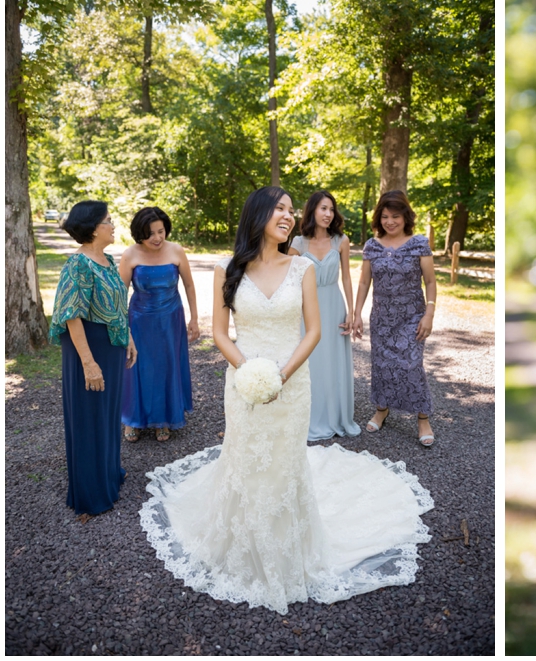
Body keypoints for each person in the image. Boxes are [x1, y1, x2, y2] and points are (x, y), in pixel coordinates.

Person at [139, 186, 433, 614]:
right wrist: (248, 371)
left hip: (293, 381)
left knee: (284, 460)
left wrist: (281, 374)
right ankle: (243, 538)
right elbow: (221, 333)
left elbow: (313, 330)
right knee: (245, 456)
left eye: (291, 211)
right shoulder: (226, 268)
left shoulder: (302, 270)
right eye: (280, 208)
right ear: (257, 212)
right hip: (243, 381)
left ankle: (286, 546)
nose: (289, 216)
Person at [49, 201, 137, 522]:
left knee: (107, 414)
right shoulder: (78, 265)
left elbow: (117, 306)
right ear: (93, 228)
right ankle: (91, 494)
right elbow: (71, 316)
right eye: (108, 221)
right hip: (87, 348)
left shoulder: (107, 260)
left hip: (111, 347)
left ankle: (110, 475)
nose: (113, 225)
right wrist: (88, 362)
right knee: (89, 417)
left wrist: (128, 337)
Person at [353, 190, 437, 447]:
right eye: (385, 216)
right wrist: (356, 313)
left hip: (412, 317)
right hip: (381, 319)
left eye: (396, 216)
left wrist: (429, 314)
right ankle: (382, 409)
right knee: (381, 365)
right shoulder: (372, 246)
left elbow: (431, 281)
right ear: (379, 218)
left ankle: (423, 417)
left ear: (406, 217)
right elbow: (365, 281)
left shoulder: (419, 243)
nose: (390, 221)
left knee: (411, 366)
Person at [119, 207, 198, 443]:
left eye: (161, 231)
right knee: (139, 366)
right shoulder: (130, 254)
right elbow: (120, 294)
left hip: (171, 319)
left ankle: (163, 418)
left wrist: (194, 318)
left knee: (167, 366)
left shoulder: (176, 250)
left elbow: (189, 286)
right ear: (139, 233)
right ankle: (132, 419)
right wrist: (124, 329)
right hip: (140, 320)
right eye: (150, 233)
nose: (157, 238)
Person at [288, 190, 358, 439]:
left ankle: (333, 416)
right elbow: (287, 278)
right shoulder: (297, 243)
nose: (328, 214)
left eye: (331, 209)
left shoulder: (341, 241)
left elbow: (347, 278)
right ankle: (307, 415)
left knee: (331, 360)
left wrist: (352, 311)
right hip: (306, 307)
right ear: (312, 210)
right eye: (323, 209)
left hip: (333, 303)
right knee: (310, 360)